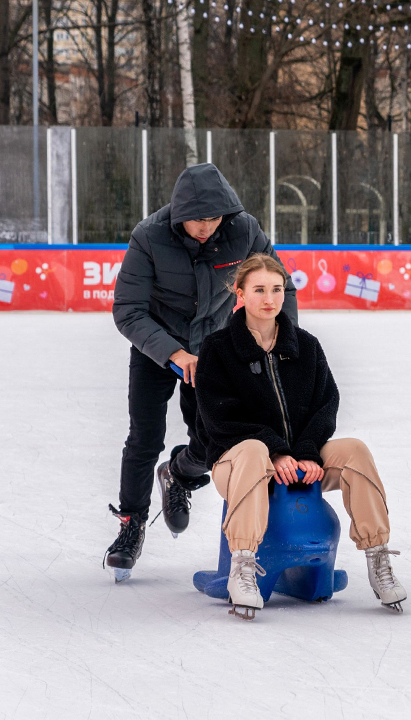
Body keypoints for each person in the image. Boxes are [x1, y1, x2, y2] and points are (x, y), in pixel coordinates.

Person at [105, 163, 296, 581]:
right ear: (178, 214)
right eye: (197, 219)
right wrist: (173, 353)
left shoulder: (244, 231)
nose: (206, 227)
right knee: (144, 437)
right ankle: (131, 524)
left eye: (213, 218)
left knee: (215, 439)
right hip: (157, 346)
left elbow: (281, 284)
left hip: (213, 346)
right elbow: (128, 310)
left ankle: (178, 474)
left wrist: (283, 343)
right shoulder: (150, 236)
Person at [195, 255, 405, 618]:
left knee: (354, 450)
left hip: (300, 462)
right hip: (239, 464)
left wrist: (308, 451)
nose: (269, 299)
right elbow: (219, 418)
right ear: (240, 293)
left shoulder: (305, 346)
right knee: (252, 450)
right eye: (259, 290)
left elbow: (327, 404)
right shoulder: (217, 349)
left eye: (276, 290)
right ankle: (243, 566)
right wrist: (275, 452)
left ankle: (378, 557)